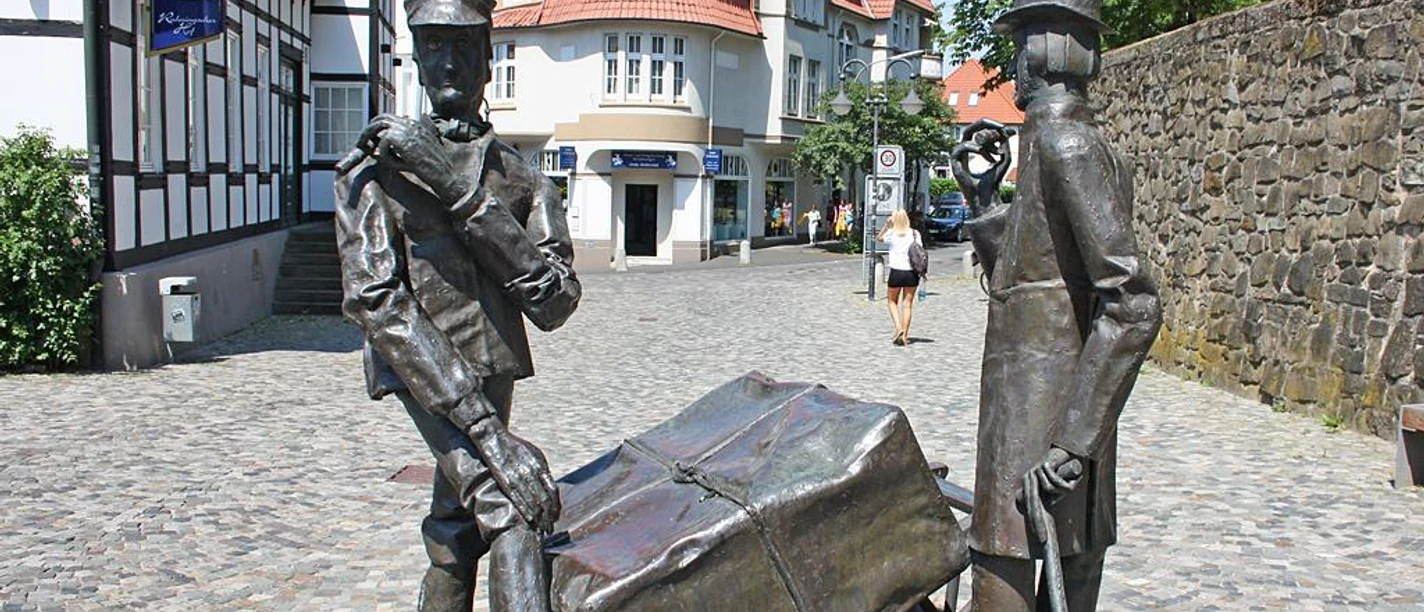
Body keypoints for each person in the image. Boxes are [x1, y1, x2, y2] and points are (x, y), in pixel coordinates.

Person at [332, 0, 581, 609]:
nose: (447, 61)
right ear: (416, 57)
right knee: (516, 508)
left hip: (494, 367)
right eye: (433, 44)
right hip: (422, 373)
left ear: (489, 59)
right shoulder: (375, 173)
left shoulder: (523, 179)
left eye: (463, 45)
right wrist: (487, 431)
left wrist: (455, 188)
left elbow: (555, 302)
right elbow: (375, 301)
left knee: (455, 527)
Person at [952, 1, 1162, 610]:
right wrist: (985, 203)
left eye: (1019, 45)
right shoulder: (1064, 145)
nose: (1015, 65)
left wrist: (1071, 442)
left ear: (1037, 57)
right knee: (1047, 571)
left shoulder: (1066, 145)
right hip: (1046, 420)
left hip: (1044, 426)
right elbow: (1030, 281)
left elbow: (1134, 302)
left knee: (1006, 573)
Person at [876, 209, 922, 346]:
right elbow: (920, 250)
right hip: (912, 272)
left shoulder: (892, 234)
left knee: (892, 301)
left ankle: (898, 327)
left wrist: (887, 225)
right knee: (907, 304)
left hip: (896, 272)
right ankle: (905, 335)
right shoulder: (915, 234)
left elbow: (879, 238)